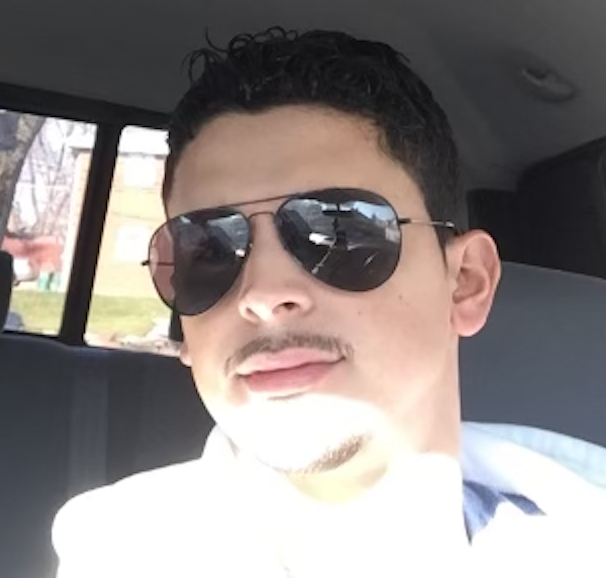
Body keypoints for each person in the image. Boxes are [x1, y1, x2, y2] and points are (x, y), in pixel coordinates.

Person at [52, 29, 606, 577]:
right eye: (208, 252)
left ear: (465, 282)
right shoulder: (117, 553)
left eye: (340, 234)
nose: (263, 296)